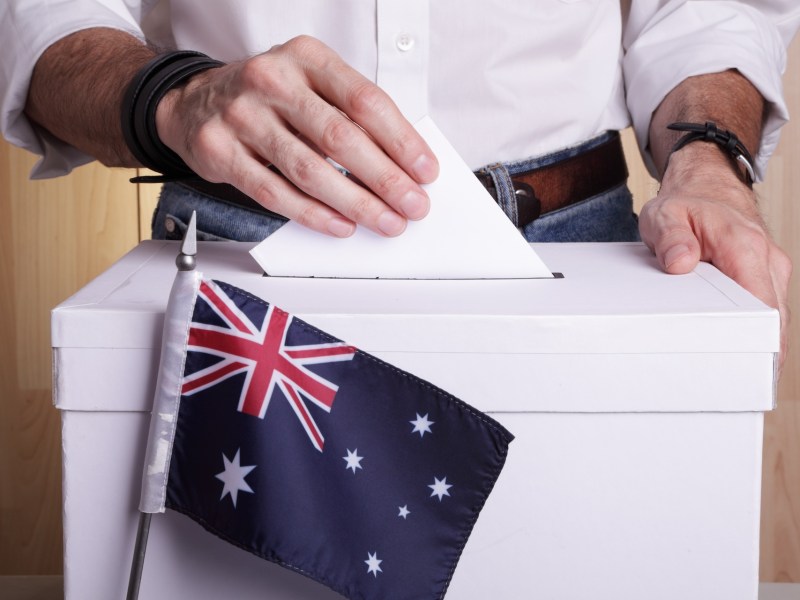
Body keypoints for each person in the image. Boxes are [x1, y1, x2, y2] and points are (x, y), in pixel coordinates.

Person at [0, 0, 796, 367]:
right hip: (246, 253)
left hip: (577, 246)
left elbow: (707, 6)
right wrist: (173, 99)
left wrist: (706, 159)